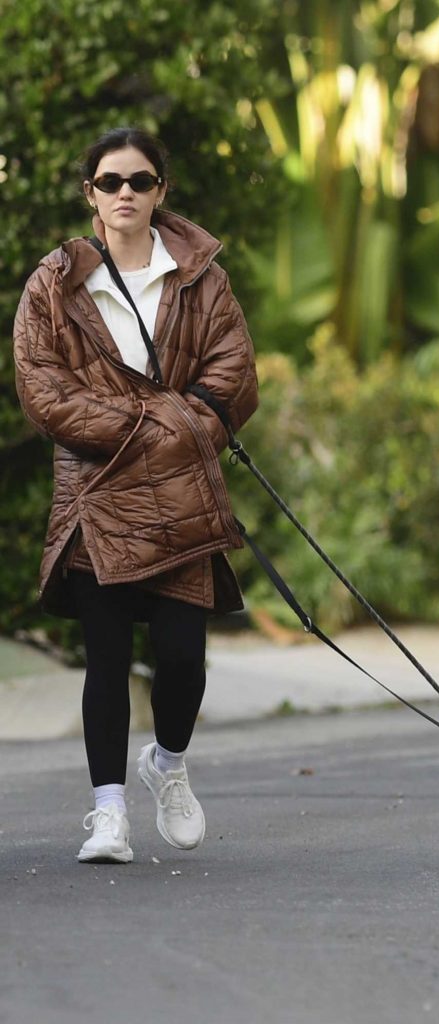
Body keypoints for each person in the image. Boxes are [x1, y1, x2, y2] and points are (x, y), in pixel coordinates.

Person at [13, 127, 258, 863]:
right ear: (89, 194)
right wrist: (150, 425)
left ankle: (169, 764)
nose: (126, 194)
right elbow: (43, 390)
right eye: (111, 182)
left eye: (140, 181)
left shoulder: (202, 279)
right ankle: (109, 812)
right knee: (107, 658)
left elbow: (234, 375)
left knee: (184, 659)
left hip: (182, 495)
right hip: (96, 496)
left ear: (161, 192)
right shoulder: (52, 285)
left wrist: (170, 430)